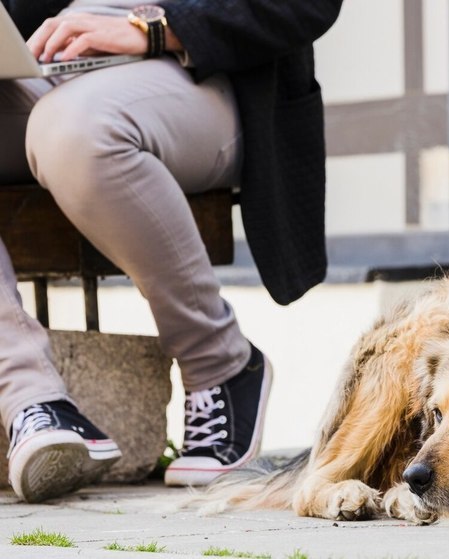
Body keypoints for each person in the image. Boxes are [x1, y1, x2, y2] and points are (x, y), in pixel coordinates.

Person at [0, 0, 343, 503]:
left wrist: (156, 29)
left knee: (74, 129)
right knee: (64, 117)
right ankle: (32, 401)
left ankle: (220, 362)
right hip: (49, 65)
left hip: (202, 74)